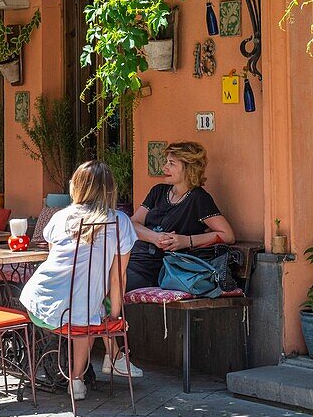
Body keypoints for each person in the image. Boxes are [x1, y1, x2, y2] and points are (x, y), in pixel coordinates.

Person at [20, 160, 137, 401]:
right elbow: (118, 277)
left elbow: (57, 261)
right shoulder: (120, 222)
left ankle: (99, 365)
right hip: (81, 312)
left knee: (85, 305)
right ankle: (88, 372)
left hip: (40, 300)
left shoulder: (60, 218)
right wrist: (114, 319)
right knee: (88, 309)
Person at [126, 141, 234, 293]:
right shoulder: (158, 191)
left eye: (171, 163)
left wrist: (186, 241)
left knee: (110, 284)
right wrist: (155, 237)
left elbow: (227, 235)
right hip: (133, 258)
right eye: (166, 162)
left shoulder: (198, 198)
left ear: (188, 168)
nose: (165, 168)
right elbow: (133, 223)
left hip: (161, 268)